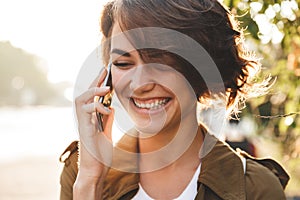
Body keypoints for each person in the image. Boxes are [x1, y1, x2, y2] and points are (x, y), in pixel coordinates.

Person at [59, 0, 290, 199]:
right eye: (123, 64)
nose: (140, 84)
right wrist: (90, 181)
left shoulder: (255, 188)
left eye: (161, 62)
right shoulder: (81, 173)